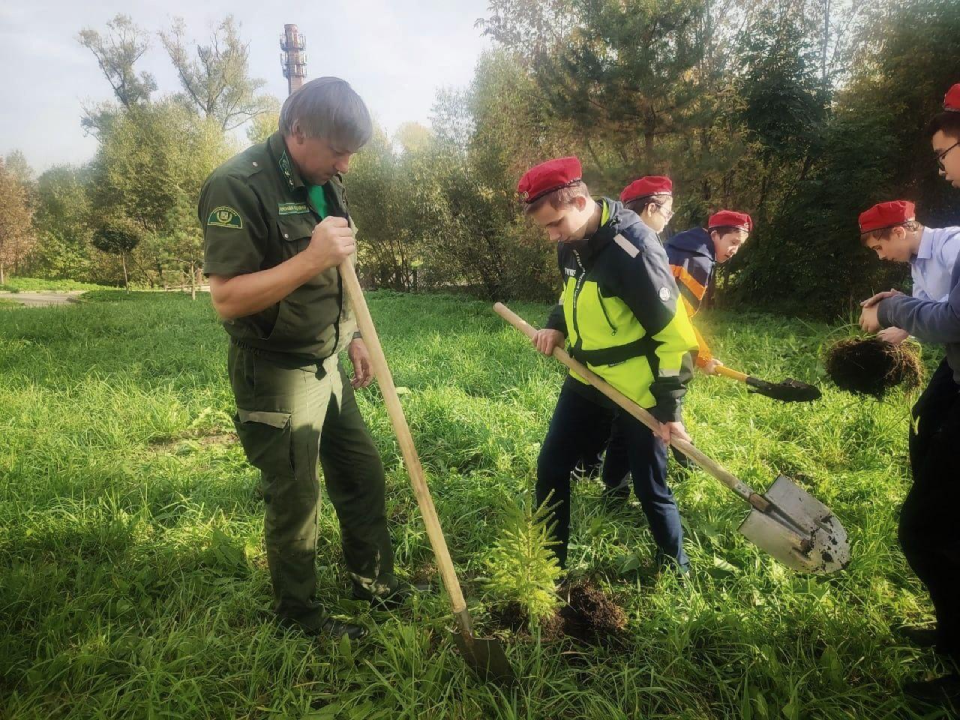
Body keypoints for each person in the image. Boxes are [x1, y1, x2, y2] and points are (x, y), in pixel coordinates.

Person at [199, 77, 408, 641]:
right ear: (297, 132)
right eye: (339, 151)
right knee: (297, 497)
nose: (346, 165)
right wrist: (312, 255)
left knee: (362, 473)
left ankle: (376, 583)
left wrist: (354, 333)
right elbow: (227, 297)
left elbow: (339, 271)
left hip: (330, 361)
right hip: (278, 370)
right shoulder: (237, 186)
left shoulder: (324, 176)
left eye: (352, 154)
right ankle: (301, 618)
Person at [519, 156, 699, 571]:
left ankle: (677, 569)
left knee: (650, 486)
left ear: (580, 201)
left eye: (555, 224)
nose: (551, 237)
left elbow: (675, 338)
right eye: (545, 228)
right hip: (587, 378)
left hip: (638, 389)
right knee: (552, 467)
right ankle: (549, 569)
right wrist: (556, 326)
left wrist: (668, 407)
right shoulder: (570, 244)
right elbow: (572, 295)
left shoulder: (634, 251)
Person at [859, 81, 960, 706]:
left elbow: (950, 319)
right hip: (955, 371)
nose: (943, 166)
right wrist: (897, 323)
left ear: (902, 229)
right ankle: (952, 631)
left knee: (927, 529)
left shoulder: (949, 245)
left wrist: (897, 308)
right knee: (927, 458)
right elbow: (934, 315)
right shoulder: (922, 261)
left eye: (945, 152)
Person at [601, 209, 753, 496]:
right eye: (732, 241)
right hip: (660, 346)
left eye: (739, 245)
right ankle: (660, 479)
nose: (734, 250)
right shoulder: (695, 261)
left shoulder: (677, 247)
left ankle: (623, 482)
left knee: (633, 412)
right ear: (714, 234)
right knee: (663, 411)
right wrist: (702, 356)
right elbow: (676, 319)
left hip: (633, 340)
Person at [858, 200, 960, 345]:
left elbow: (954, 313)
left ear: (899, 233)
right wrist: (906, 304)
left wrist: (898, 308)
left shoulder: (953, 244)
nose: (881, 257)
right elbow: (931, 319)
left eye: (878, 247)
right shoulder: (917, 265)